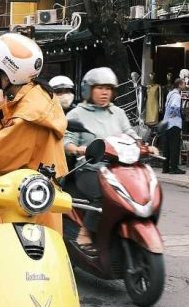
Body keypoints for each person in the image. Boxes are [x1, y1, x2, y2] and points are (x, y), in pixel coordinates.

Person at [0, 31, 68, 230]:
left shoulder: (28, 116)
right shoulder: (40, 98)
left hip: (23, 214)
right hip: (37, 203)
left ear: (7, 73)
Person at [64, 67, 153, 249]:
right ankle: (86, 232)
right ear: (88, 90)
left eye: (108, 88)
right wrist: (78, 149)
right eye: (100, 88)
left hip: (118, 169)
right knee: (104, 195)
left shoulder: (118, 113)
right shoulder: (76, 114)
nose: (105, 92)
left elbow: (129, 133)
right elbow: (66, 141)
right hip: (89, 168)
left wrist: (144, 145)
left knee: (141, 193)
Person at [160, 77, 186, 175]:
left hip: (166, 123)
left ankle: (165, 167)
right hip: (174, 124)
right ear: (179, 85)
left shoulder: (170, 94)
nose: (185, 85)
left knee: (166, 147)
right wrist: (179, 115)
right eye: (183, 83)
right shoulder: (177, 96)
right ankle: (174, 168)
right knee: (174, 146)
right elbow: (174, 107)